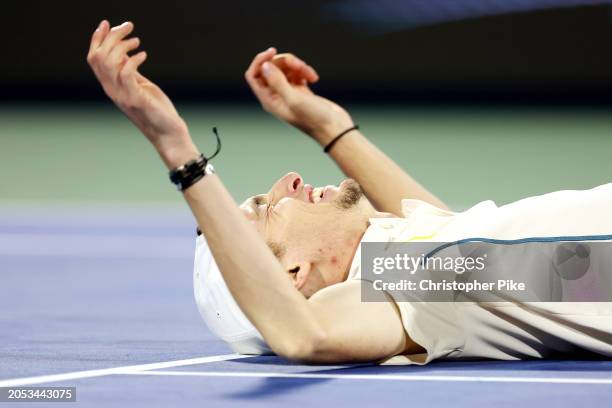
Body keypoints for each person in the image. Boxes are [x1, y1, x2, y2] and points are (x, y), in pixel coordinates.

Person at [87, 20, 612, 365]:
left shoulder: (439, 268)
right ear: (290, 277)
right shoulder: (395, 283)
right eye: (268, 209)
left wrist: (328, 128)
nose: (287, 183)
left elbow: (456, 232)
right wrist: (176, 148)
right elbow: (305, 336)